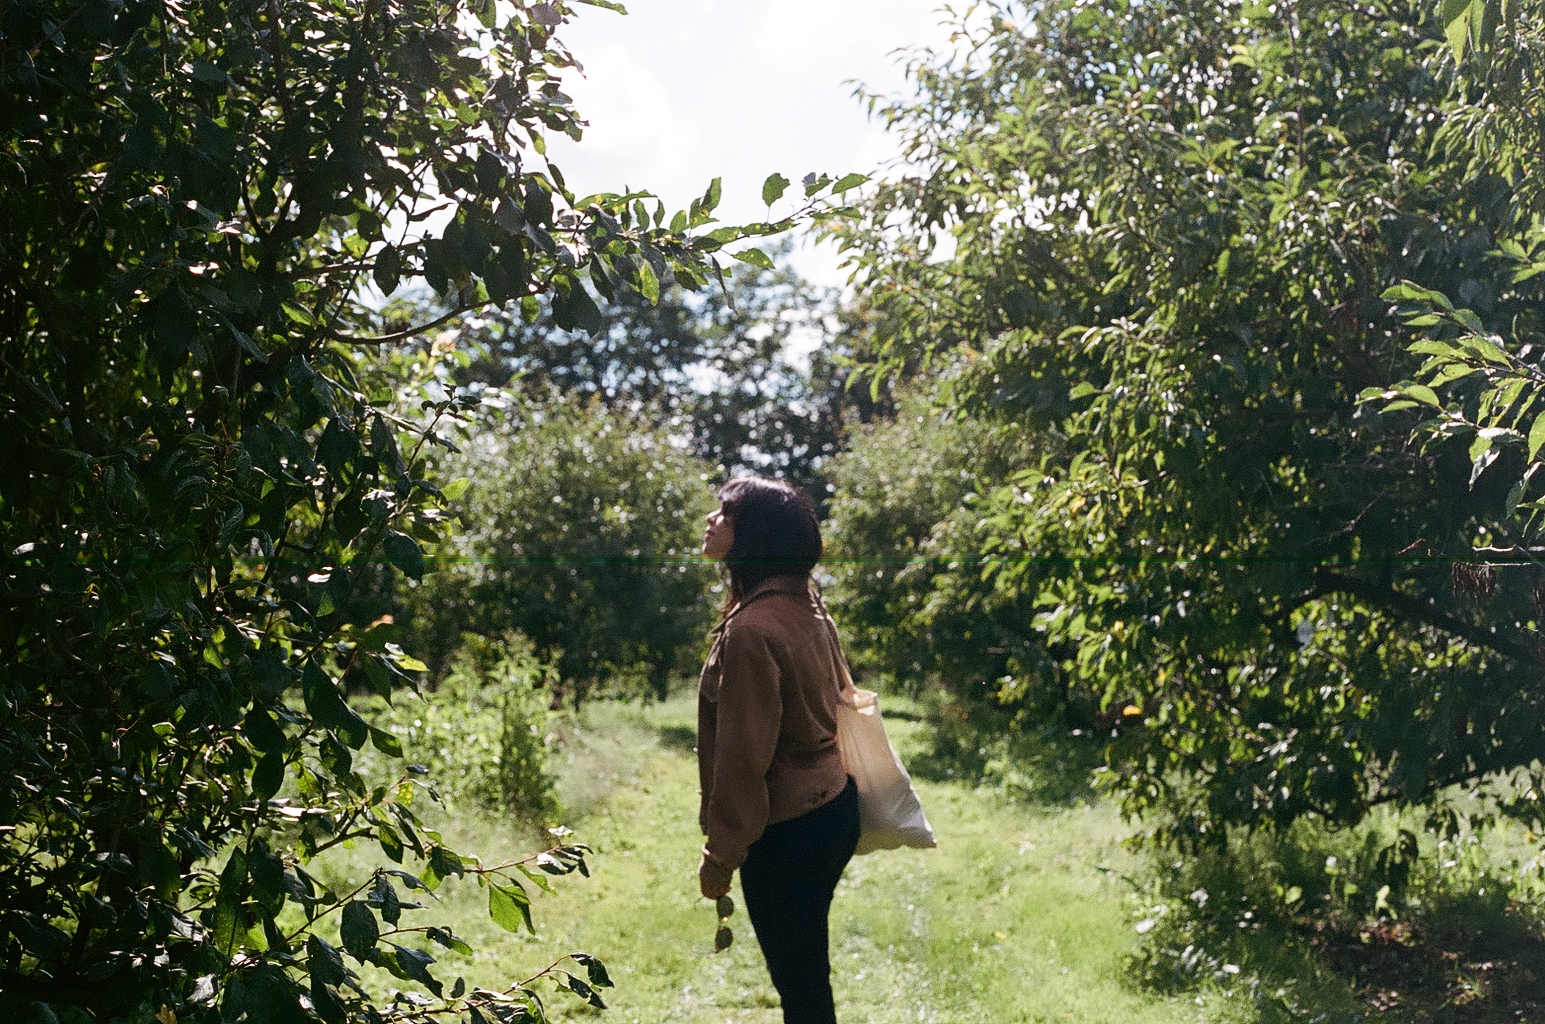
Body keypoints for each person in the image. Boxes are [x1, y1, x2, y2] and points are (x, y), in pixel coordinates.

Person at [696, 475, 860, 1024]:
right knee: (807, 975)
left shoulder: (752, 630)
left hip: (788, 829)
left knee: (802, 987)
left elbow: (746, 759)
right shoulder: (806, 606)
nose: (712, 521)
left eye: (726, 513)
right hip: (832, 807)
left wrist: (721, 855)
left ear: (754, 535)